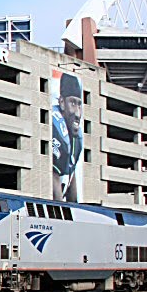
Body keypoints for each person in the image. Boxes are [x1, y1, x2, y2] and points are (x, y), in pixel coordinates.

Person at [51, 72, 84, 202]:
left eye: (79, 104)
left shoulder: (76, 137)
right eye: (73, 103)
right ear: (62, 103)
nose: (77, 112)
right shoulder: (56, 126)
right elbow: (54, 180)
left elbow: (72, 175)